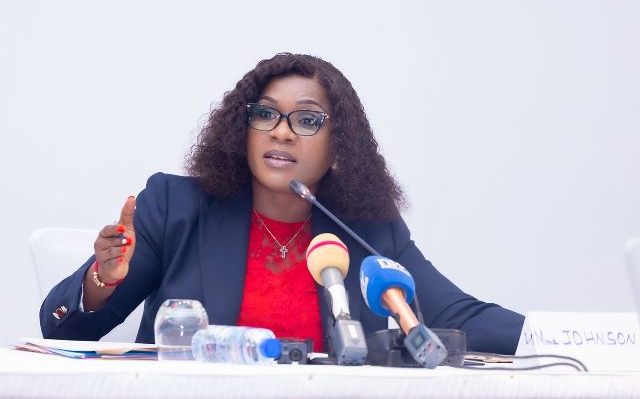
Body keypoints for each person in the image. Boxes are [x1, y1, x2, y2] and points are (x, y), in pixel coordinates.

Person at [40, 53, 524, 354]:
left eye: (307, 121)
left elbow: (456, 316)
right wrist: (102, 280)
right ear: (243, 129)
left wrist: (559, 336)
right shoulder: (177, 207)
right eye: (266, 115)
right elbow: (62, 333)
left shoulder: (367, 230)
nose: (281, 131)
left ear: (339, 148)